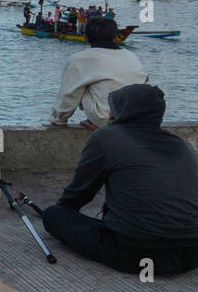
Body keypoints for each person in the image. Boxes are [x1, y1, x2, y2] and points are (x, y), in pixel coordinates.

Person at [41, 84, 198, 275]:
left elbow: (77, 195)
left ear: (121, 112)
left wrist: (63, 212)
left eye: (112, 109)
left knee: (53, 215)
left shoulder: (106, 138)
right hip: (191, 254)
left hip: (136, 253)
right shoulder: (182, 145)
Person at [49, 17, 147, 129]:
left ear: (86, 38)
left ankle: (96, 122)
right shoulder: (131, 56)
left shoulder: (80, 59)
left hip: (106, 119)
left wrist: (59, 120)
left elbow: (68, 95)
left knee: (79, 84)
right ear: (115, 38)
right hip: (137, 118)